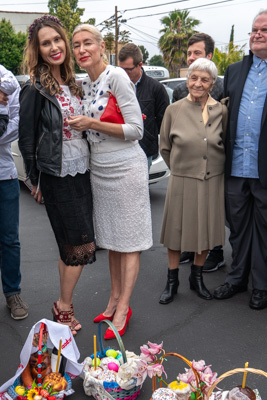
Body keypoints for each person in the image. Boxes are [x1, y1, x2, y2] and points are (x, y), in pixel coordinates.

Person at [70, 24, 152, 338]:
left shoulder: (116, 76)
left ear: (102, 45)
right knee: (114, 242)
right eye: (76, 44)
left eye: (87, 42)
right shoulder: (82, 84)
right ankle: (113, 299)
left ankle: (124, 308)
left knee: (129, 243)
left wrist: (91, 123)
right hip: (99, 168)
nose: (81, 50)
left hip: (126, 166)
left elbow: (136, 130)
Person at [19, 15, 96, 335]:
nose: (54, 47)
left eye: (57, 40)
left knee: (74, 245)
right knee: (80, 245)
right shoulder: (35, 88)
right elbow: (26, 138)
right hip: (57, 175)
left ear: (65, 41)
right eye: (45, 43)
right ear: (37, 50)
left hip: (83, 171)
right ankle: (64, 307)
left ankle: (63, 304)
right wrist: (35, 180)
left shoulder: (76, 83)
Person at [159, 58, 227, 304]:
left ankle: (196, 278)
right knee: (176, 232)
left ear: (212, 83)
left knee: (205, 231)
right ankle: (172, 280)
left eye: (204, 79)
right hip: (182, 178)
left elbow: (222, 144)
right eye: (193, 78)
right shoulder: (173, 110)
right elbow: (165, 147)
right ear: (187, 80)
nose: (197, 83)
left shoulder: (221, 110)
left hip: (212, 179)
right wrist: (180, 169)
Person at [214, 10, 267, 310]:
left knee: (264, 229)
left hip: (264, 168)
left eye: (264, 30)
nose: (257, 34)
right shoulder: (234, 71)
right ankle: (236, 279)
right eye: (254, 29)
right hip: (235, 165)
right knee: (238, 228)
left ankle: (261, 286)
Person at [172, 33, 225, 273]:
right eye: (189, 53)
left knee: (209, 221)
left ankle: (211, 258)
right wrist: (180, 164)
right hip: (184, 171)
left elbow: (223, 138)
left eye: (197, 53)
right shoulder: (176, 102)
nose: (198, 83)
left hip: (212, 173)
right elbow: (167, 144)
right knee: (182, 222)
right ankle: (180, 267)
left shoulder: (221, 100)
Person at [0, 66, 28, 320]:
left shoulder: (8, 80)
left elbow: (19, 122)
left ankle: (12, 293)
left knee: (9, 239)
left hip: (4, 174)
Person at [118, 43, 169, 170]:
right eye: (121, 69)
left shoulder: (156, 88)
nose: (123, 73)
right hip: (120, 149)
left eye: (128, 69)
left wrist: (149, 136)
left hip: (144, 151)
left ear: (140, 65)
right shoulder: (115, 86)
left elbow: (164, 121)